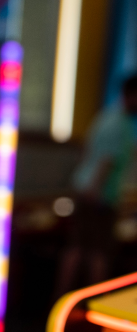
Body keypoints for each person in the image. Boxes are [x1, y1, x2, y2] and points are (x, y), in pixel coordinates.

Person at [55, 74, 137, 296]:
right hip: (99, 194)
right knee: (99, 253)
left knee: (77, 246)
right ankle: (93, 302)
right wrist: (95, 190)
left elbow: (87, 152)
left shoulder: (105, 117)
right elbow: (106, 162)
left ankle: (61, 298)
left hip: (85, 188)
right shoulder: (120, 125)